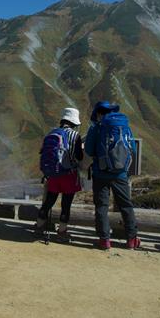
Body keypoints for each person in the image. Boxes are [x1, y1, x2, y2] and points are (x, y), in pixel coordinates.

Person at [84, 101, 140, 250]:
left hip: (100, 173)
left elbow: (89, 150)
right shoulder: (124, 126)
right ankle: (132, 240)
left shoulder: (96, 128)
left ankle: (104, 240)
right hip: (121, 174)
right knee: (126, 205)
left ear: (98, 113)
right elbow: (132, 148)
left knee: (102, 206)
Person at [35, 107, 84, 242]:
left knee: (49, 201)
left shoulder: (52, 133)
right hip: (69, 174)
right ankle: (62, 232)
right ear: (74, 123)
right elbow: (79, 157)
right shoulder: (75, 136)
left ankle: (39, 227)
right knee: (66, 205)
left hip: (53, 174)